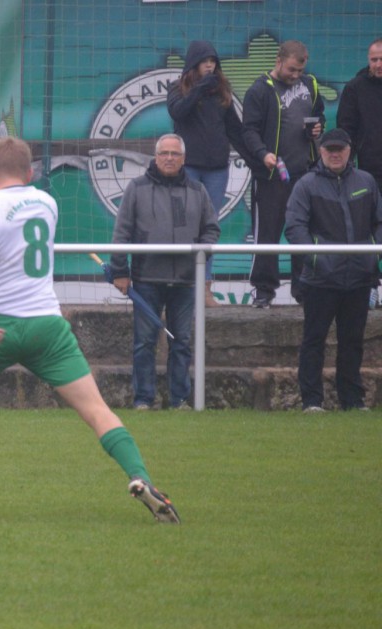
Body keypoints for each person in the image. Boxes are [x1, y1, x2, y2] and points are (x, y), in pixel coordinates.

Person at [0, 137, 180, 523]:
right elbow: (11, 259)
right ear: (30, 172)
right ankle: (141, 476)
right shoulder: (46, 203)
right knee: (96, 410)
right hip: (46, 326)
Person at [110, 134, 220, 411]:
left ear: (183, 159)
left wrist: (200, 252)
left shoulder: (198, 191)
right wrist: (119, 271)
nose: (169, 158)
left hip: (185, 281)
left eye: (175, 153)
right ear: (155, 156)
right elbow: (121, 232)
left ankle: (179, 400)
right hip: (147, 278)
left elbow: (211, 230)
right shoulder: (136, 189)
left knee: (182, 342)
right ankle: (143, 400)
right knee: (144, 343)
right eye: (164, 153)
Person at [284, 128, 382, 412]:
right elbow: (295, 227)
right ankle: (312, 401)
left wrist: (371, 252)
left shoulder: (366, 182)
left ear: (349, 150)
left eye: (340, 149)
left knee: (352, 341)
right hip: (320, 279)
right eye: (330, 149)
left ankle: (352, 400)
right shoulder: (306, 185)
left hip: (359, 277)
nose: (335, 154)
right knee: (313, 340)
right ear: (321, 151)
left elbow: (379, 221)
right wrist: (317, 257)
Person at [241, 40, 325, 308]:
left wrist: (316, 128)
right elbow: (249, 130)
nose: (295, 76)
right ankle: (264, 291)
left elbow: (318, 114)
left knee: (303, 231)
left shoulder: (310, 85)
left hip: (305, 174)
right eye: (291, 70)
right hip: (271, 175)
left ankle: (304, 289)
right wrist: (262, 153)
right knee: (267, 233)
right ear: (278, 60)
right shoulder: (259, 90)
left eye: (300, 71)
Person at [166, 40, 248, 307]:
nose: (210, 65)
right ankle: (183, 286)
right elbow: (178, 112)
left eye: (213, 60)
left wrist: (256, 158)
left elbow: (235, 129)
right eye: (204, 61)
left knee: (209, 227)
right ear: (193, 64)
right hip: (189, 167)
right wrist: (198, 90)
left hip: (217, 170)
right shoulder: (178, 89)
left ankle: (205, 287)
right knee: (184, 224)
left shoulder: (221, 91)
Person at [336, 38, 382, 187]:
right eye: (374, 60)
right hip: (369, 169)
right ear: (368, 60)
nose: (378, 64)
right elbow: (346, 128)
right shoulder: (355, 88)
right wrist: (346, 163)